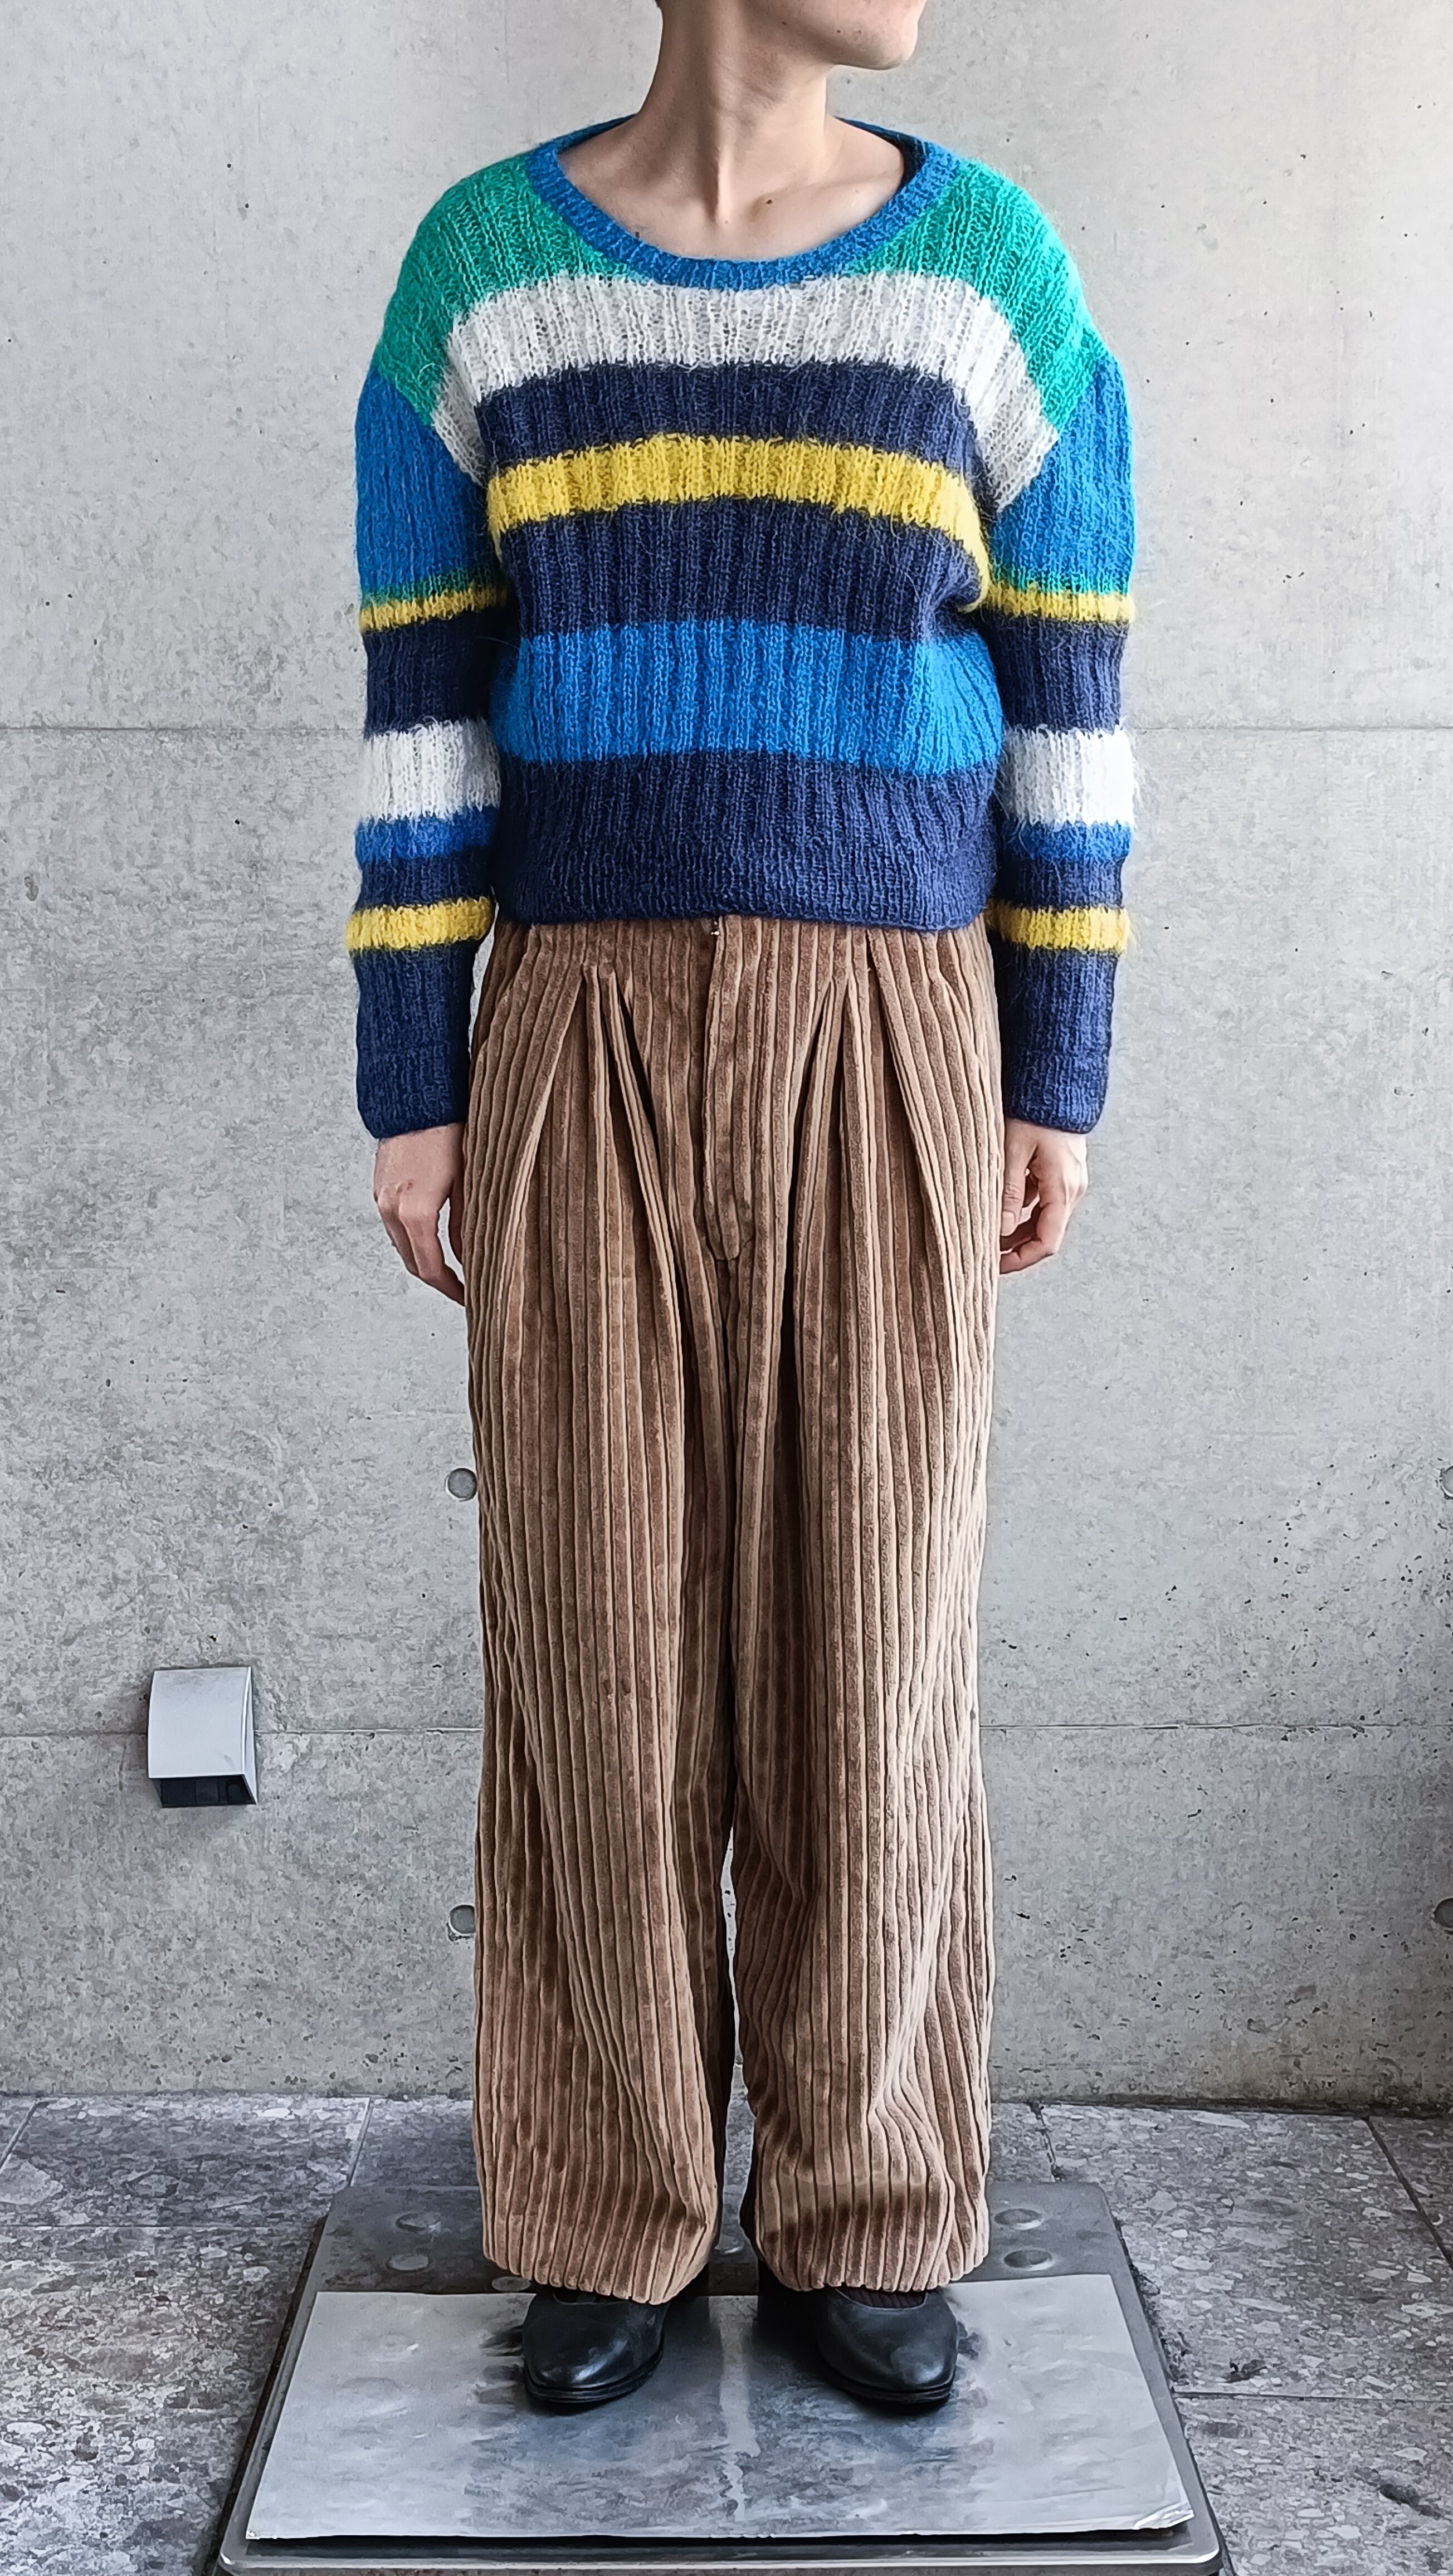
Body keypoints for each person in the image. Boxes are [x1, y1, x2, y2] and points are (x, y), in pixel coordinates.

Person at [348, 0, 1134, 2415]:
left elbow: (1072, 694)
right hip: (573, 1012)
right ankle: (605, 2208)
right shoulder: (484, 276)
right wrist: (411, 1078)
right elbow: (423, 702)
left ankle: (864, 2204)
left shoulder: (987, 276)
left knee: (876, 1628)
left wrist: (1059, 1065)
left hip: (897, 1022)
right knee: (591, 1631)